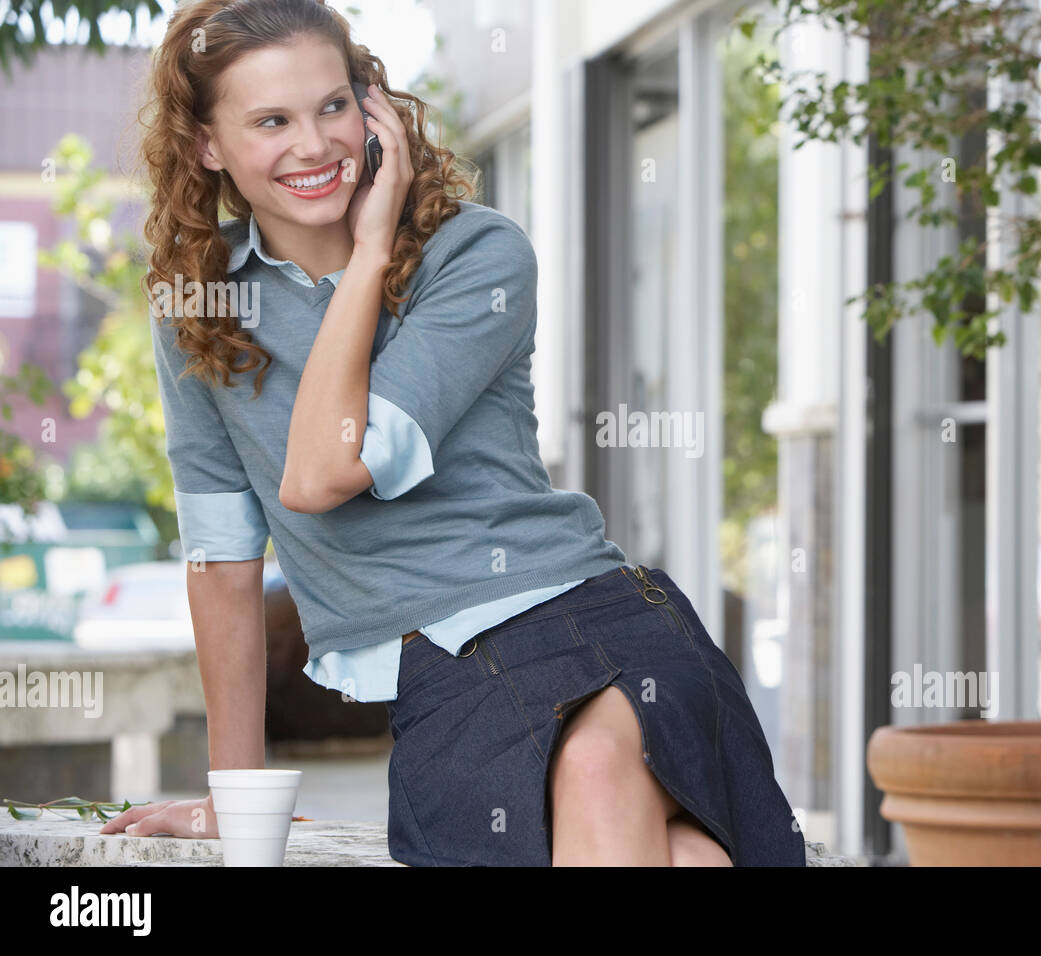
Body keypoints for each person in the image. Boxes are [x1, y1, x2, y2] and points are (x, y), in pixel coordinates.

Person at [102, 0, 805, 867]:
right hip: (446, 680)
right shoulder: (199, 311)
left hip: (588, 617)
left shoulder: (476, 257)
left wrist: (365, 257)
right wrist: (232, 796)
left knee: (593, 769)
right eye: (271, 121)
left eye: (332, 106)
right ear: (208, 144)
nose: (314, 145)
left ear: (373, 109)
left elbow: (326, 468)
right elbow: (222, 559)